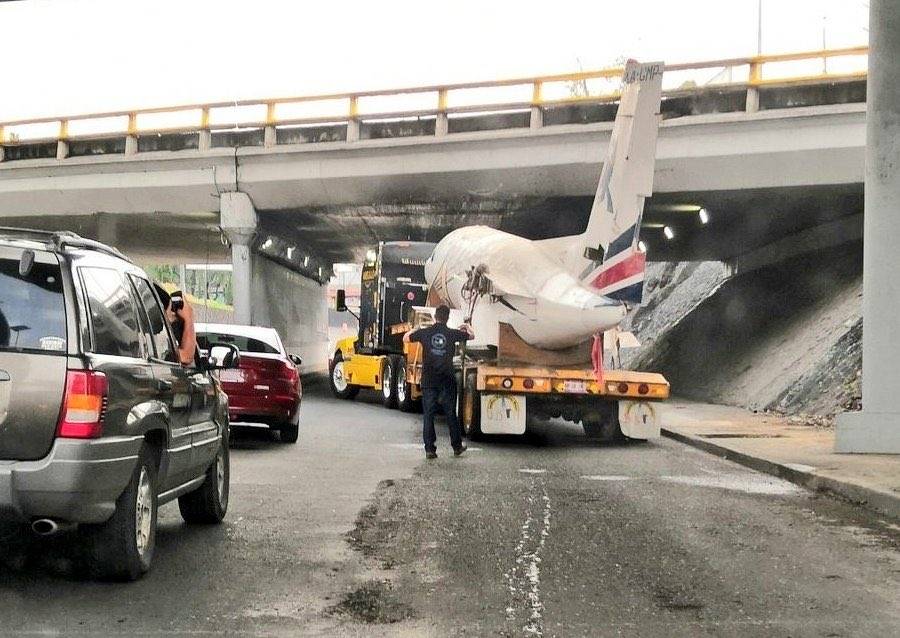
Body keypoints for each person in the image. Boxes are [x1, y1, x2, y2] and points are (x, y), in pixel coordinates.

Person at [403, 305, 474, 459]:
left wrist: (415, 329)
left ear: (435, 316)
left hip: (429, 380)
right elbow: (471, 336)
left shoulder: (425, 333)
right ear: (447, 318)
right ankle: (456, 446)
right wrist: (467, 326)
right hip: (446, 379)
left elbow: (405, 338)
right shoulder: (452, 333)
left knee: (428, 414)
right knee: (450, 414)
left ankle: (430, 449)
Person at [154, 285, 197, 366]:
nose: (173, 313)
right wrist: (188, 318)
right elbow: (186, 357)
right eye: (170, 309)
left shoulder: (144, 338)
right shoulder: (157, 341)